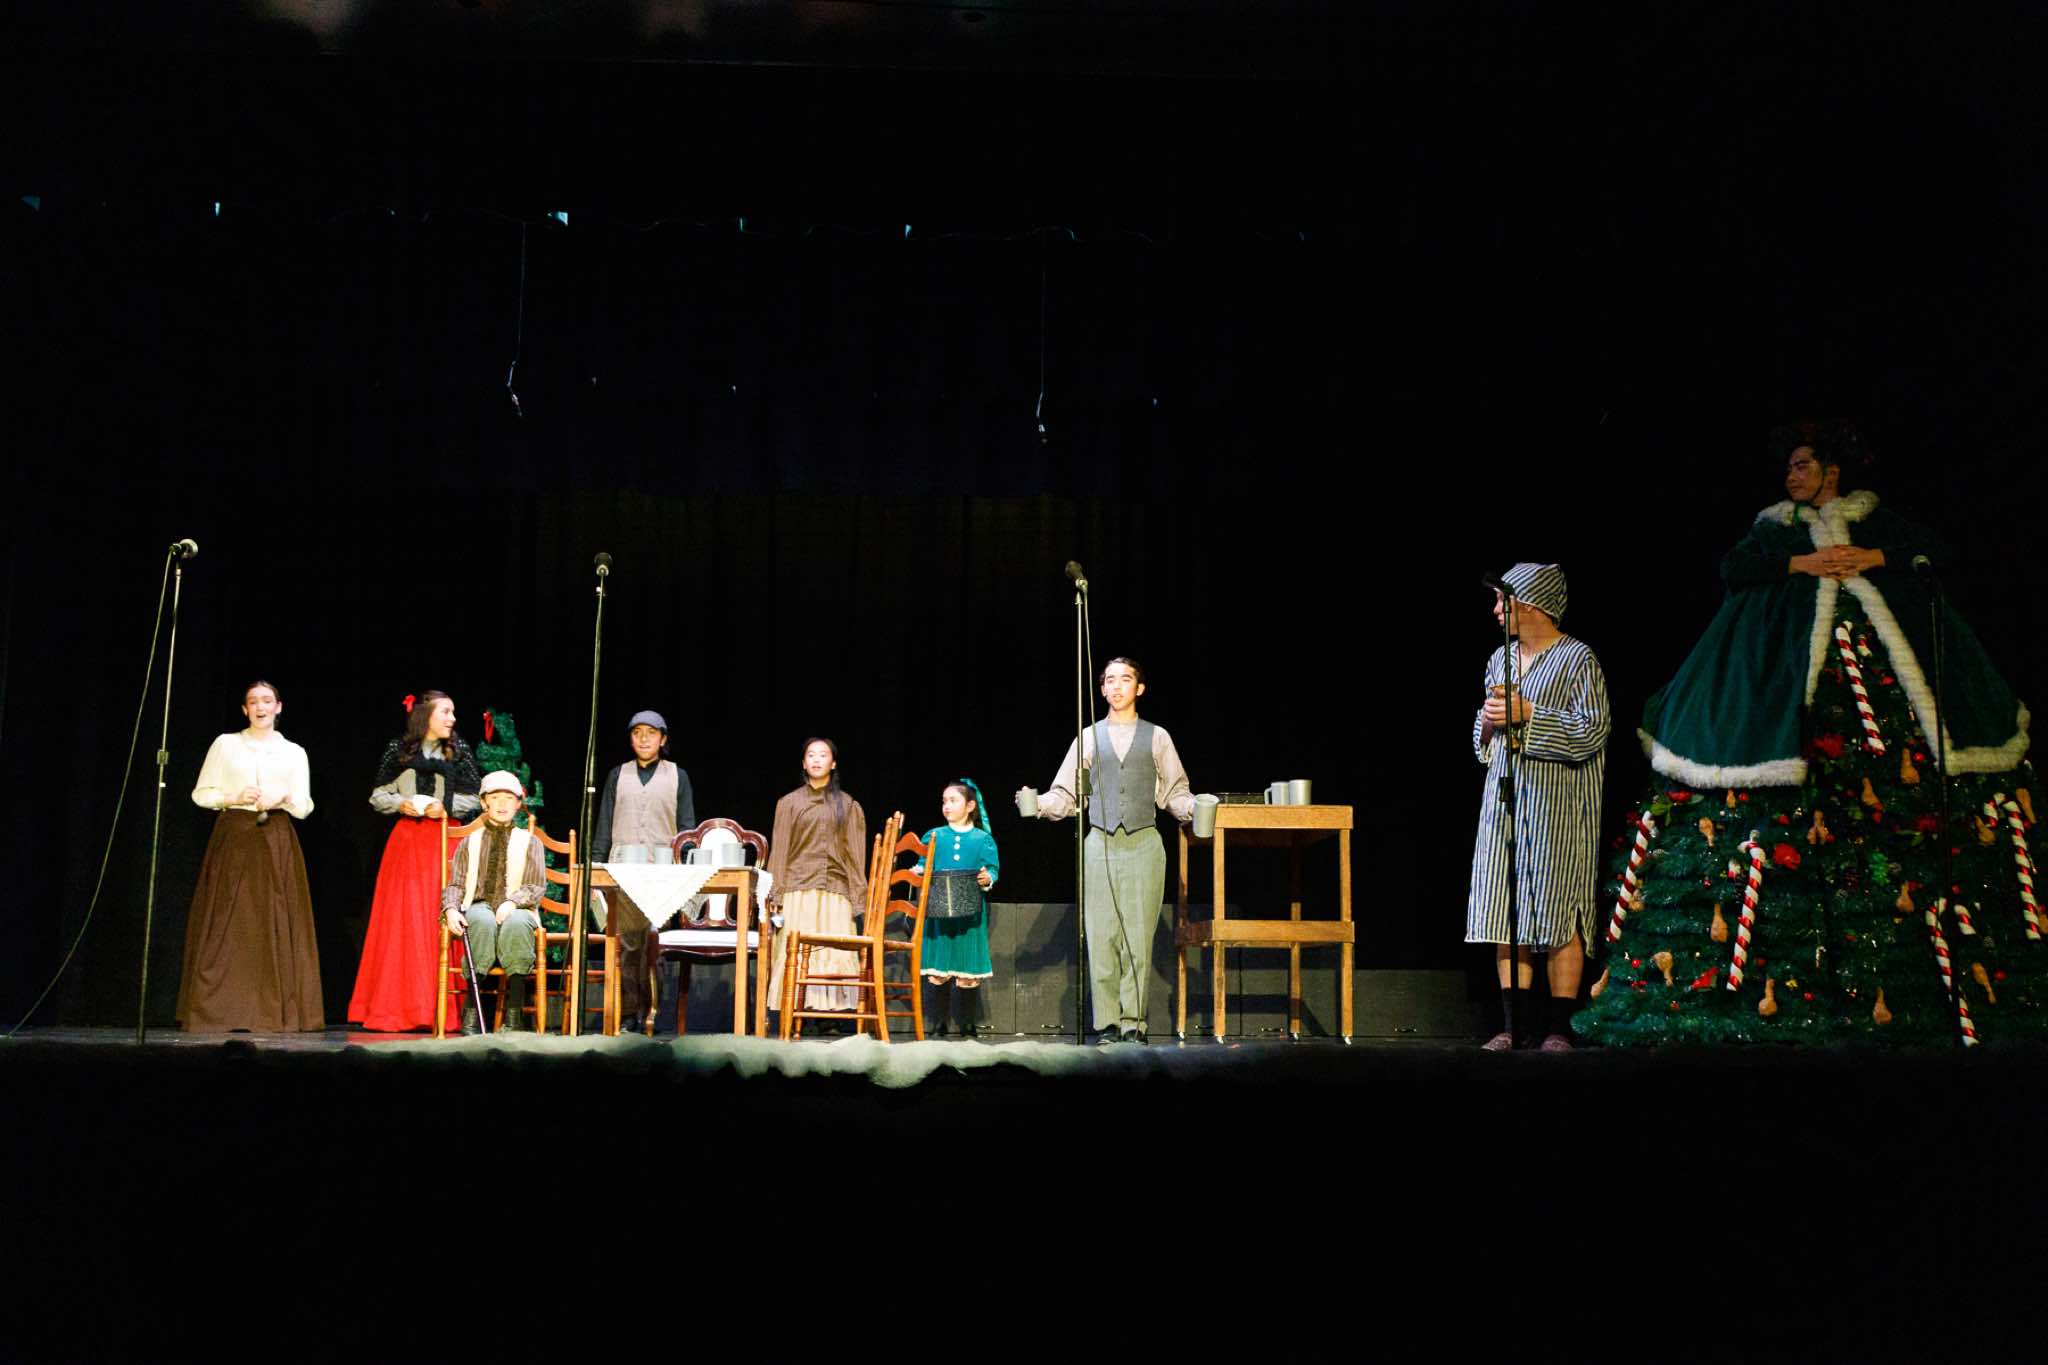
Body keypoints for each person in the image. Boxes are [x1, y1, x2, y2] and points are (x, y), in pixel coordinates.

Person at [1578, 423, 2038, 1045]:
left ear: (1832, 471)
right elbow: (1736, 565)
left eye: (1803, 465)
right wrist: (1804, 563)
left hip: (1880, 686)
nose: (1792, 476)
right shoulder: (1776, 526)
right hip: (1783, 675)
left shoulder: (1875, 520)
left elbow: (1932, 550)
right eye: (1790, 466)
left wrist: (1872, 559)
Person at [1464, 563, 1613, 1052]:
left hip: (1558, 806)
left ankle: (1558, 1028)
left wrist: (1531, 713)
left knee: (1558, 910)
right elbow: (1483, 739)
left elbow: (1592, 730)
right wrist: (1489, 722)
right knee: (1505, 909)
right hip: (1504, 801)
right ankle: (1513, 1026)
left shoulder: (1577, 659)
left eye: (1502, 601)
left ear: (1530, 605)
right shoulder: (1500, 660)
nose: (1496, 610)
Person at [1020, 657, 1196, 1045]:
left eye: (1125, 679)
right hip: (1100, 842)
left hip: (1144, 844)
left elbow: (1175, 793)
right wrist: (1038, 804)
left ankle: (1135, 1024)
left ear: (1140, 688)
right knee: (1101, 937)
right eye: (1110, 681)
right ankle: (1108, 1024)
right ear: (1101, 689)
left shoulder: (1157, 736)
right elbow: (1065, 794)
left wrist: (1197, 809)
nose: (1117, 686)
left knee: (1138, 937)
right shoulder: (1087, 738)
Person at [175, 680, 325, 1032]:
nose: (260, 707)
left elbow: (304, 806)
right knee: (227, 921)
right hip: (235, 834)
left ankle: (273, 1011)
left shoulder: (293, 752)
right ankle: (220, 1010)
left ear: (278, 707)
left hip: (275, 838)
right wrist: (232, 796)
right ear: (245, 709)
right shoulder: (226, 744)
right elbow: (201, 793)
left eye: (267, 701)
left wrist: (282, 797)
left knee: (274, 920)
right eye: (253, 702)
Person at [347, 690, 482, 1032]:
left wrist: (444, 807)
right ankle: (397, 1008)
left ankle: (440, 1009)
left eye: (453, 712)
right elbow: (378, 794)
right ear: (426, 715)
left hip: (445, 840)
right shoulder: (400, 749)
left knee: (440, 915)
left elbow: (475, 797)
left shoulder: (458, 750)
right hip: (407, 842)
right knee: (402, 921)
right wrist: (401, 804)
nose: (452, 719)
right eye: (446, 712)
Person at [590, 709, 698, 1032]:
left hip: (661, 871)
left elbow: (687, 827)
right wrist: (596, 865)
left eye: (651, 733)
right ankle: (628, 1013)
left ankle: (651, 1011)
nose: (644, 739)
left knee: (654, 943)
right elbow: (604, 824)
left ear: (663, 739)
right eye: (637, 733)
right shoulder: (617, 775)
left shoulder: (678, 776)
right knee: (628, 944)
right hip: (623, 868)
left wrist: (687, 867)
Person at [766, 738, 868, 1020]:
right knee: (797, 952)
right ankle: (798, 1011)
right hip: (798, 888)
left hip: (836, 888)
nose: (816, 760)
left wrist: (859, 899)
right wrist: (776, 894)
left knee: (834, 949)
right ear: (803, 763)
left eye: (823, 755)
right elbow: (780, 851)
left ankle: (828, 1015)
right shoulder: (789, 803)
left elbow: (855, 856)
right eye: (811, 755)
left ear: (833, 763)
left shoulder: (848, 805)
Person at [441, 771, 547, 1032]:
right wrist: (451, 909)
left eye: (508, 798)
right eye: (495, 797)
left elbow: (535, 885)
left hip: (518, 907)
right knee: (480, 921)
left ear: (518, 804)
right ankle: (471, 1013)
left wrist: (512, 902)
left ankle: (514, 1016)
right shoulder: (470, 842)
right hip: (479, 905)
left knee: (517, 924)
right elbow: (456, 883)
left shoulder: (530, 842)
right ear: (484, 802)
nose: (502, 804)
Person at [918, 778, 1001, 1039]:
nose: (947, 805)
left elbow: (992, 869)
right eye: (944, 801)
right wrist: (917, 870)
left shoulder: (982, 839)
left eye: (953, 800)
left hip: (970, 913)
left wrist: (988, 877)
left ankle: (967, 1024)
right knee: (938, 970)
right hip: (939, 912)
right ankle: (938, 1023)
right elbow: (923, 863)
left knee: (968, 970)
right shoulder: (934, 836)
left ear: (970, 805)